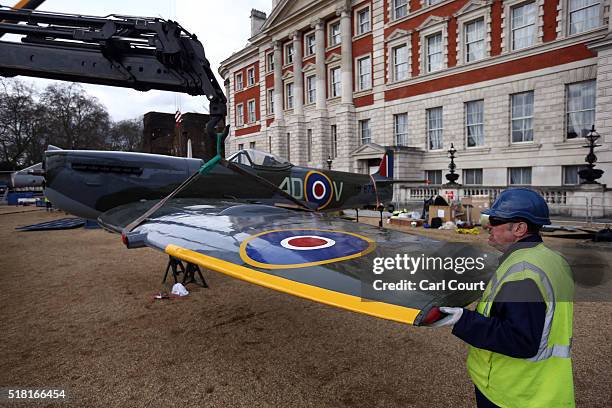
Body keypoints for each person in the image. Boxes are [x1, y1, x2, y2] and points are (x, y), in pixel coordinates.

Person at [431, 188, 575, 407]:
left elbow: (521, 340)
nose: (488, 224)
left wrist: (462, 319)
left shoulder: (523, 272)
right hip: (545, 386)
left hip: (513, 393)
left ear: (519, 228)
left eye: (495, 220)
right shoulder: (552, 259)